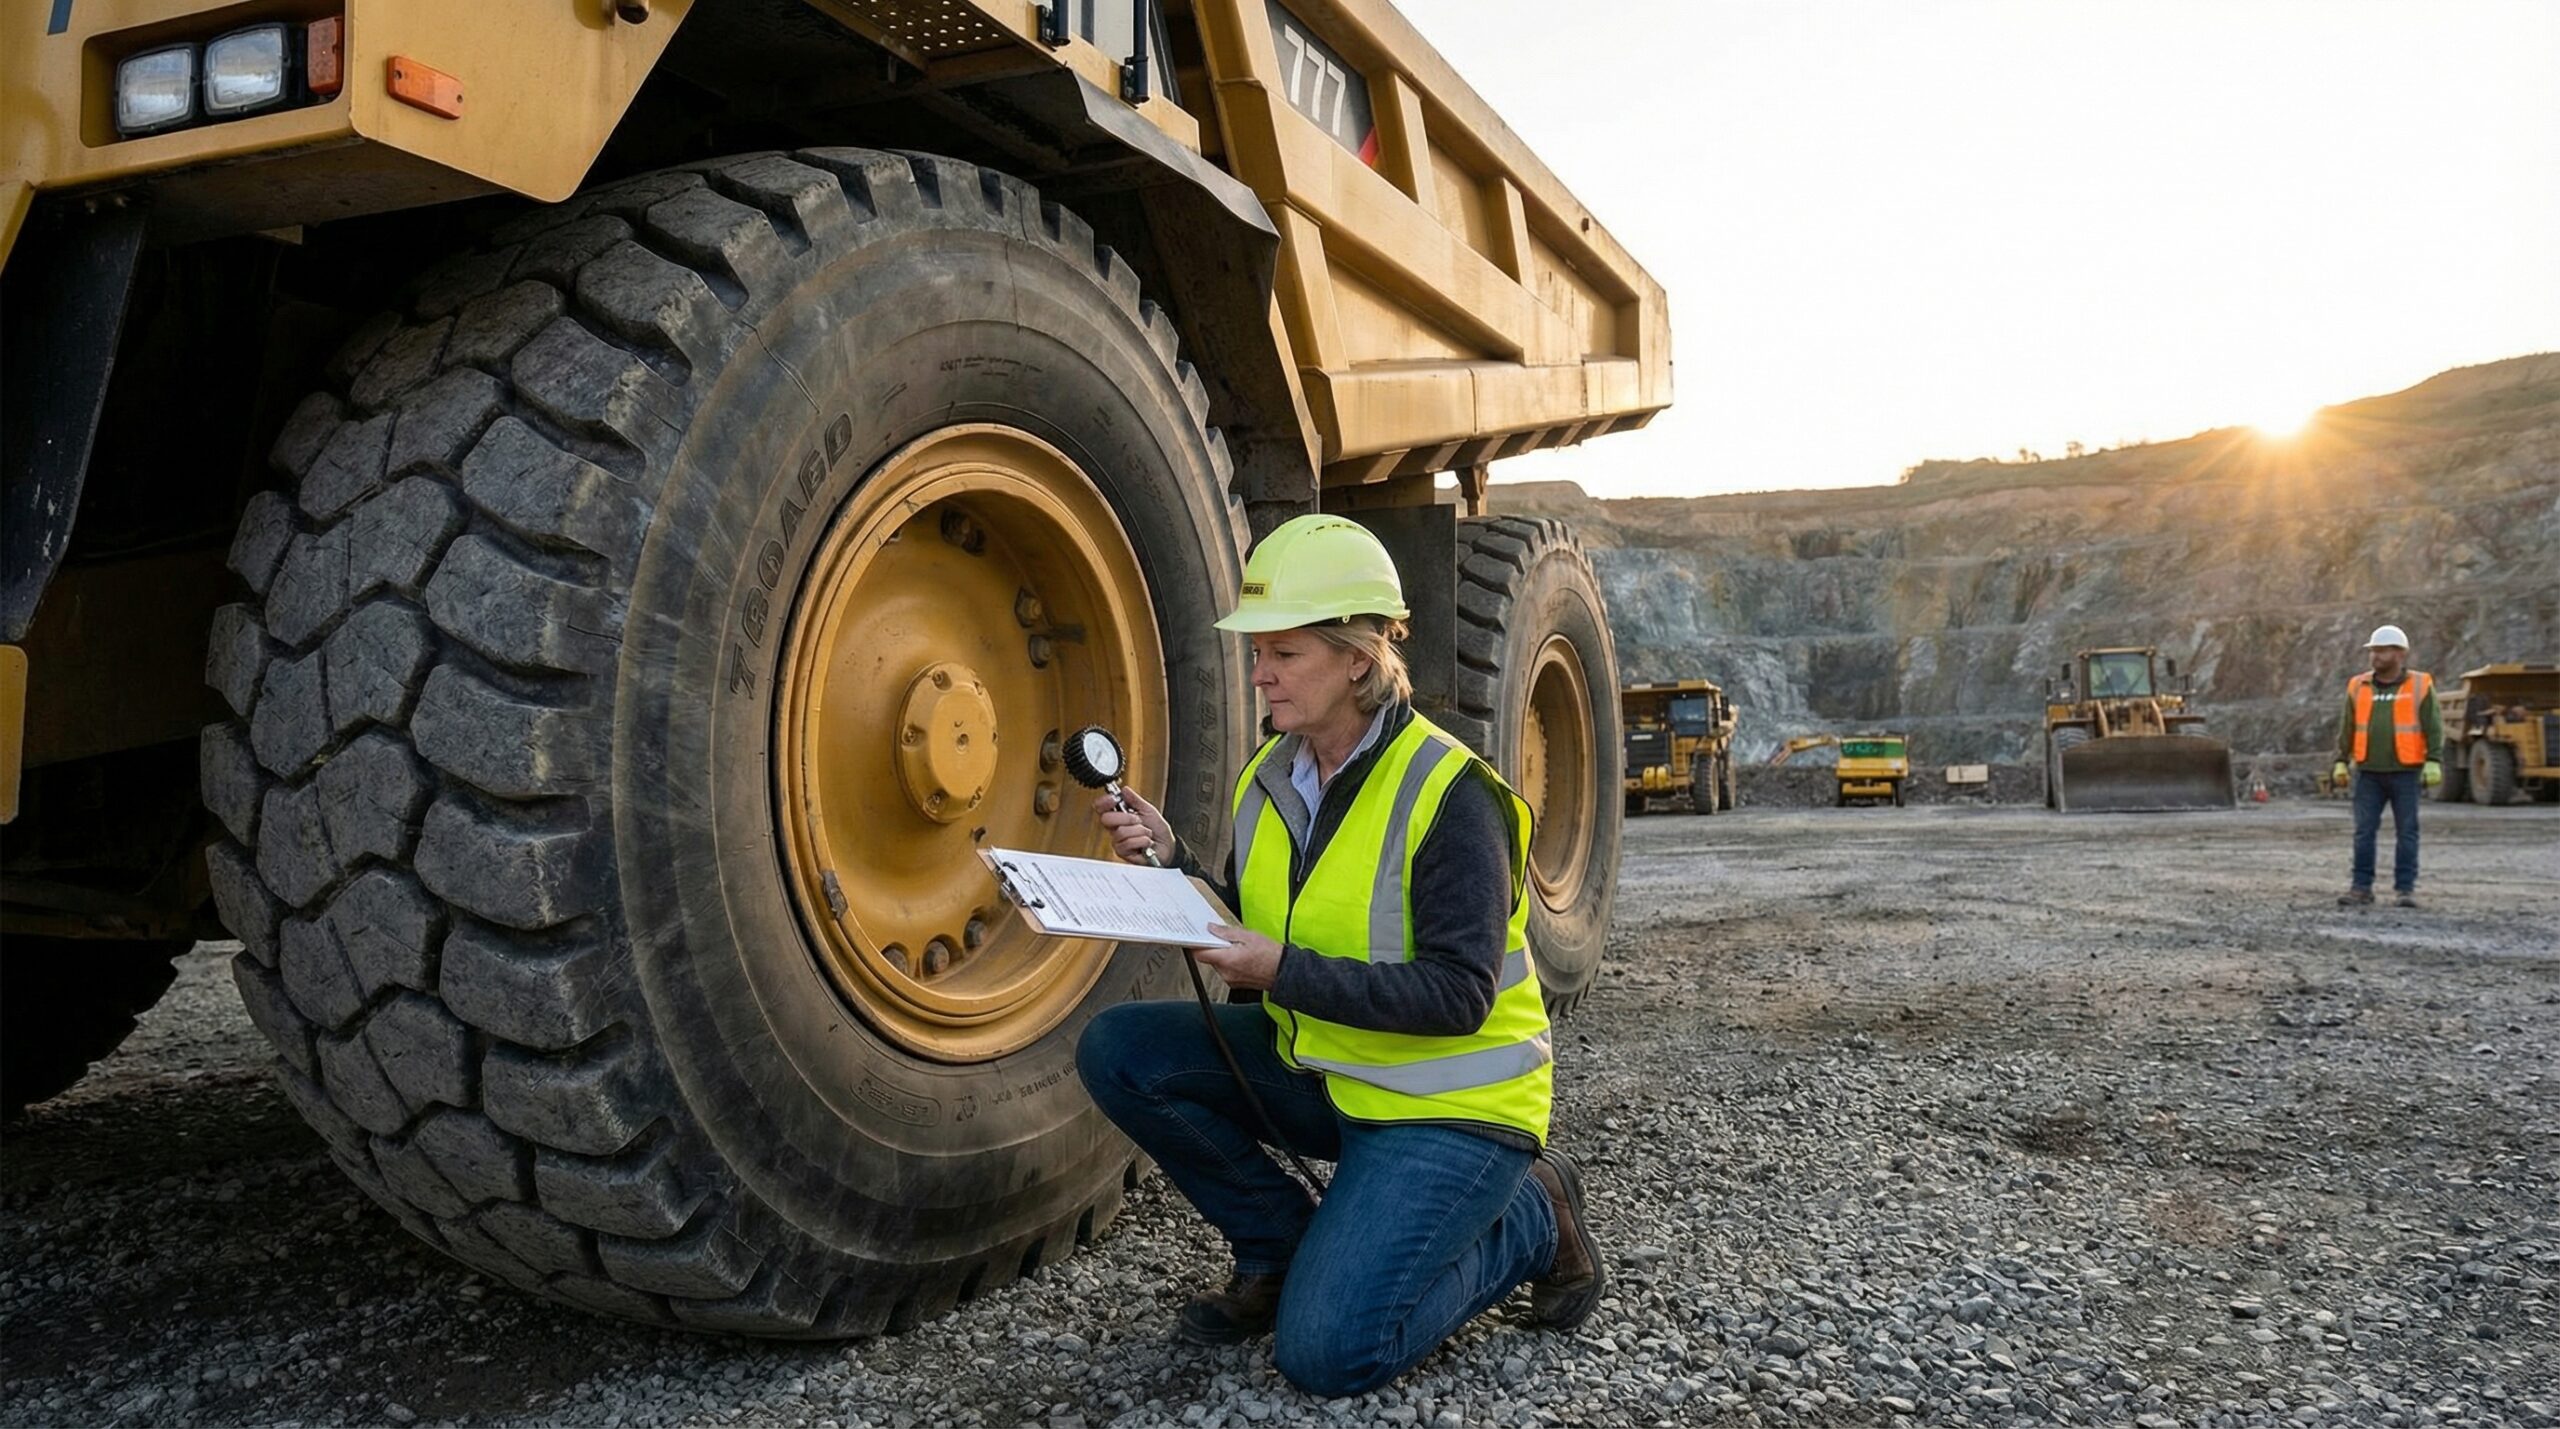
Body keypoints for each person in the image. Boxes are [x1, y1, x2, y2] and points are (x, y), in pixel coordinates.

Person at [1073, 514, 1603, 1398]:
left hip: (1449, 1105)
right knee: (1121, 1050)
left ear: (1359, 658)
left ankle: (1533, 1218)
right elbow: (1267, 918)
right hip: (1327, 1064)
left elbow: (1459, 994)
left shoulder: (1451, 794)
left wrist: (1279, 972)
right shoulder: (1271, 776)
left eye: (1285, 652)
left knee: (1328, 1352)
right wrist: (1173, 861)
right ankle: (1277, 1247)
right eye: (1258, 651)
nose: (1261, 673)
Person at [2332, 623, 2443, 908]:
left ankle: (2405, 890)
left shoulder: (2419, 684)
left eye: (2382, 651)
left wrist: (2434, 759)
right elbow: (2347, 726)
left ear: (2400, 654)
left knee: (2407, 832)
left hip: (2407, 771)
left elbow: (2433, 725)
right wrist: (2340, 760)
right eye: (2373, 651)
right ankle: (2361, 888)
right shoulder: (2358, 685)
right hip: (2368, 772)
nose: (2375, 656)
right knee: (2363, 831)